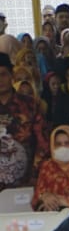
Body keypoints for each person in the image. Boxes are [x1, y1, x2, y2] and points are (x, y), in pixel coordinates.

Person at [0, 52, 49, 186]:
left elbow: (42, 143)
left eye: (3, 74)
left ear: (12, 76)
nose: (0, 79)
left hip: (26, 182)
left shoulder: (30, 105)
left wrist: (35, 176)